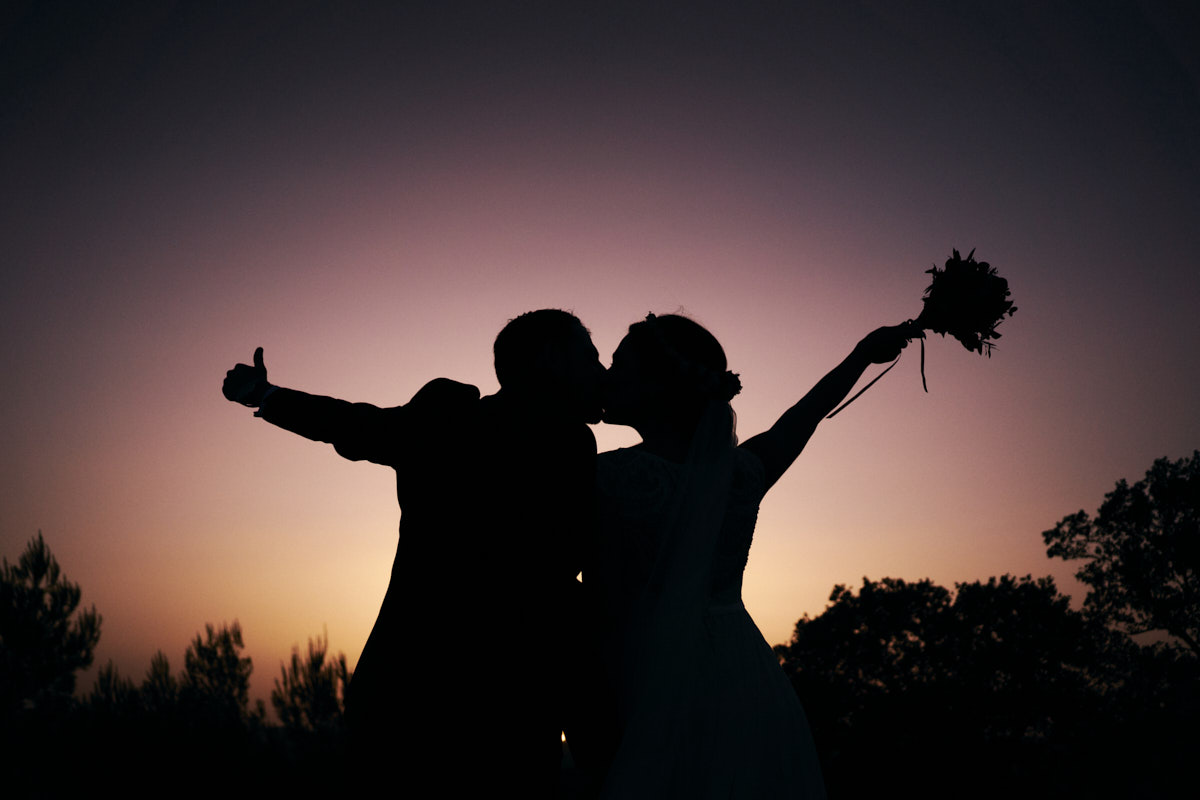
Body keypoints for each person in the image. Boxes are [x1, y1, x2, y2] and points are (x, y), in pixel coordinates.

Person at [221, 309, 605, 794]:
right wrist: (267, 396)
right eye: (591, 358)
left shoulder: (550, 437)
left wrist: (265, 395)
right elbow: (354, 424)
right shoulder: (458, 416)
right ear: (550, 359)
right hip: (462, 706)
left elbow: (355, 425)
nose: (601, 372)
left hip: (450, 698)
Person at [588, 313, 920, 798]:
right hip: (743, 672)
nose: (606, 375)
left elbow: (598, 598)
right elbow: (803, 417)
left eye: (620, 365)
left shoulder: (602, 477)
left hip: (644, 672)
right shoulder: (740, 474)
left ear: (658, 387)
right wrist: (861, 356)